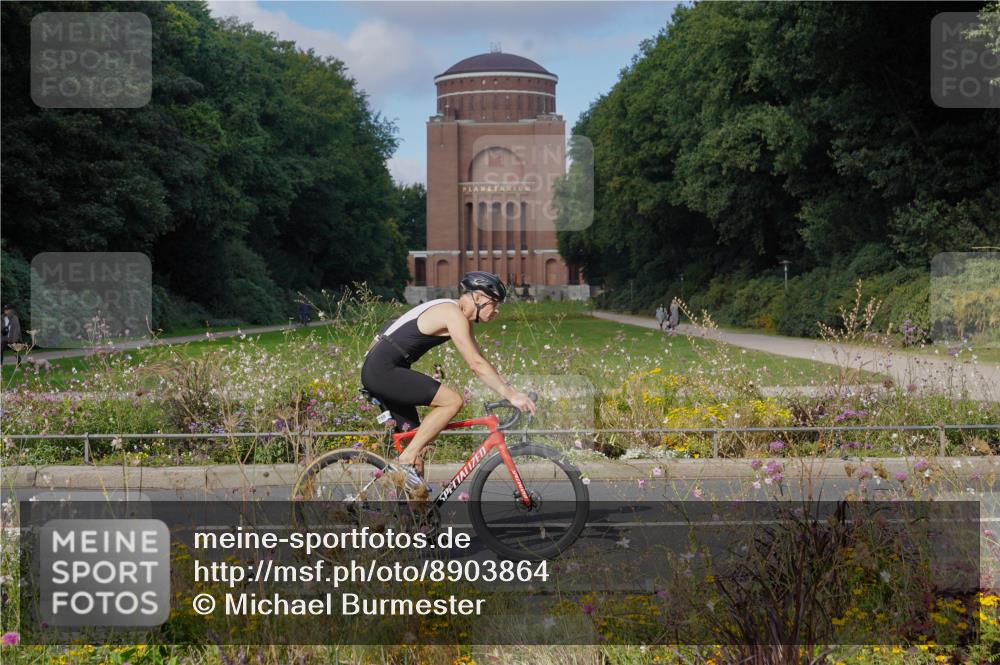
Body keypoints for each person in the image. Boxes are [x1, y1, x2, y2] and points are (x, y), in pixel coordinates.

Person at [361, 271, 536, 490]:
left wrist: (509, 389)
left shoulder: (452, 310)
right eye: (495, 304)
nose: (496, 311)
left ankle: (415, 520)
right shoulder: (452, 314)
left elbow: (480, 360)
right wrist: (511, 396)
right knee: (452, 401)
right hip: (383, 371)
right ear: (479, 298)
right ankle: (404, 462)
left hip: (382, 369)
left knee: (416, 449)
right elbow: (475, 364)